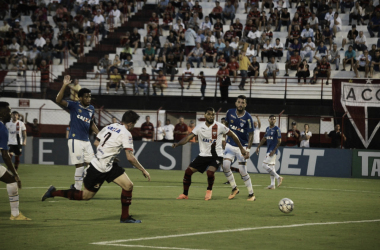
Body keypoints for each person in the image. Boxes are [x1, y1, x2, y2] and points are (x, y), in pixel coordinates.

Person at [42, 111, 151, 223]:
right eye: (135, 123)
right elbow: (130, 158)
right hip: (98, 169)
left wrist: (109, 155)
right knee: (85, 196)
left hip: (108, 165)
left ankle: (125, 217)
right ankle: (53, 192)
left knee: (128, 185)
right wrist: (143, 170)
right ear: (131, 124)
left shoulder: (110, 126)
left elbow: (96, 143)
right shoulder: (126, 134)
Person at [173, 107, 248, 200]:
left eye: (212, 114)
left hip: (216, 155)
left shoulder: (220, 126)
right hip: (203, 155)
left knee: (209, 172)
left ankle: (209, 191)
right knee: (188, 172)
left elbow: (233, 135)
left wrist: (241, 148)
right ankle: (185, 194)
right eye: (209, 114)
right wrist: (178, 144)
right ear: (205, 115)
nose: (211, 116)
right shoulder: (199, 127)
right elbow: (188, 138)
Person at [56, 75, 99, 191]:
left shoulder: (91, 109)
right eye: (86, 97)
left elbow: (91, 123)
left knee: (92, 167)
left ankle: (79, 185)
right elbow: (58, 100)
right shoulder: (74, 105)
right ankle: (77, 188)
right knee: (79, 165)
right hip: (75, 139)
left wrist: (99, 134)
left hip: (86, 140)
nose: (88, 99)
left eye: (90, 97)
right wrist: (64, 85)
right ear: (80, 98)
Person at [0, 102, 31, 220]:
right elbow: (5, 155)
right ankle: (15, 214)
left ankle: (15, 214)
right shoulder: (2, 128)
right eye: (8, 111)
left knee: (11, 181)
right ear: (2, 112)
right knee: (13, 181)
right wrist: (16, 174)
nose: (10, 114)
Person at [223, 95, 256, 201]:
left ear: (245, 105)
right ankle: (234, 188)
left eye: (243, 102)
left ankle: (251, 194)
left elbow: (251, 134)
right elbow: (225, 126)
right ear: (236, 103)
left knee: (242, 171)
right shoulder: (229, 112)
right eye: (239, 102)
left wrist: (248, 150)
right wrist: (223, 139)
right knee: (225, 166)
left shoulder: (248, 117)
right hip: (230, 144)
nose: (240, 104)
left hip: (242, 146)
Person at [255, 115, 284, 189]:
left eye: (274, 119)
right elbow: (264, 139)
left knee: (264, 165)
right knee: (271, 167)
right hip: (269, 150)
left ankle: (278, 177)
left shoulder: (277, 129)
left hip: (272, 151)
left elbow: (279, 141)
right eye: (271, 119)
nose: (272, 120)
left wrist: (274, 150)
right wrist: (258, 147)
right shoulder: (267, 129)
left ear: (275, 121)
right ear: (268, 120)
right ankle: (272, 185)